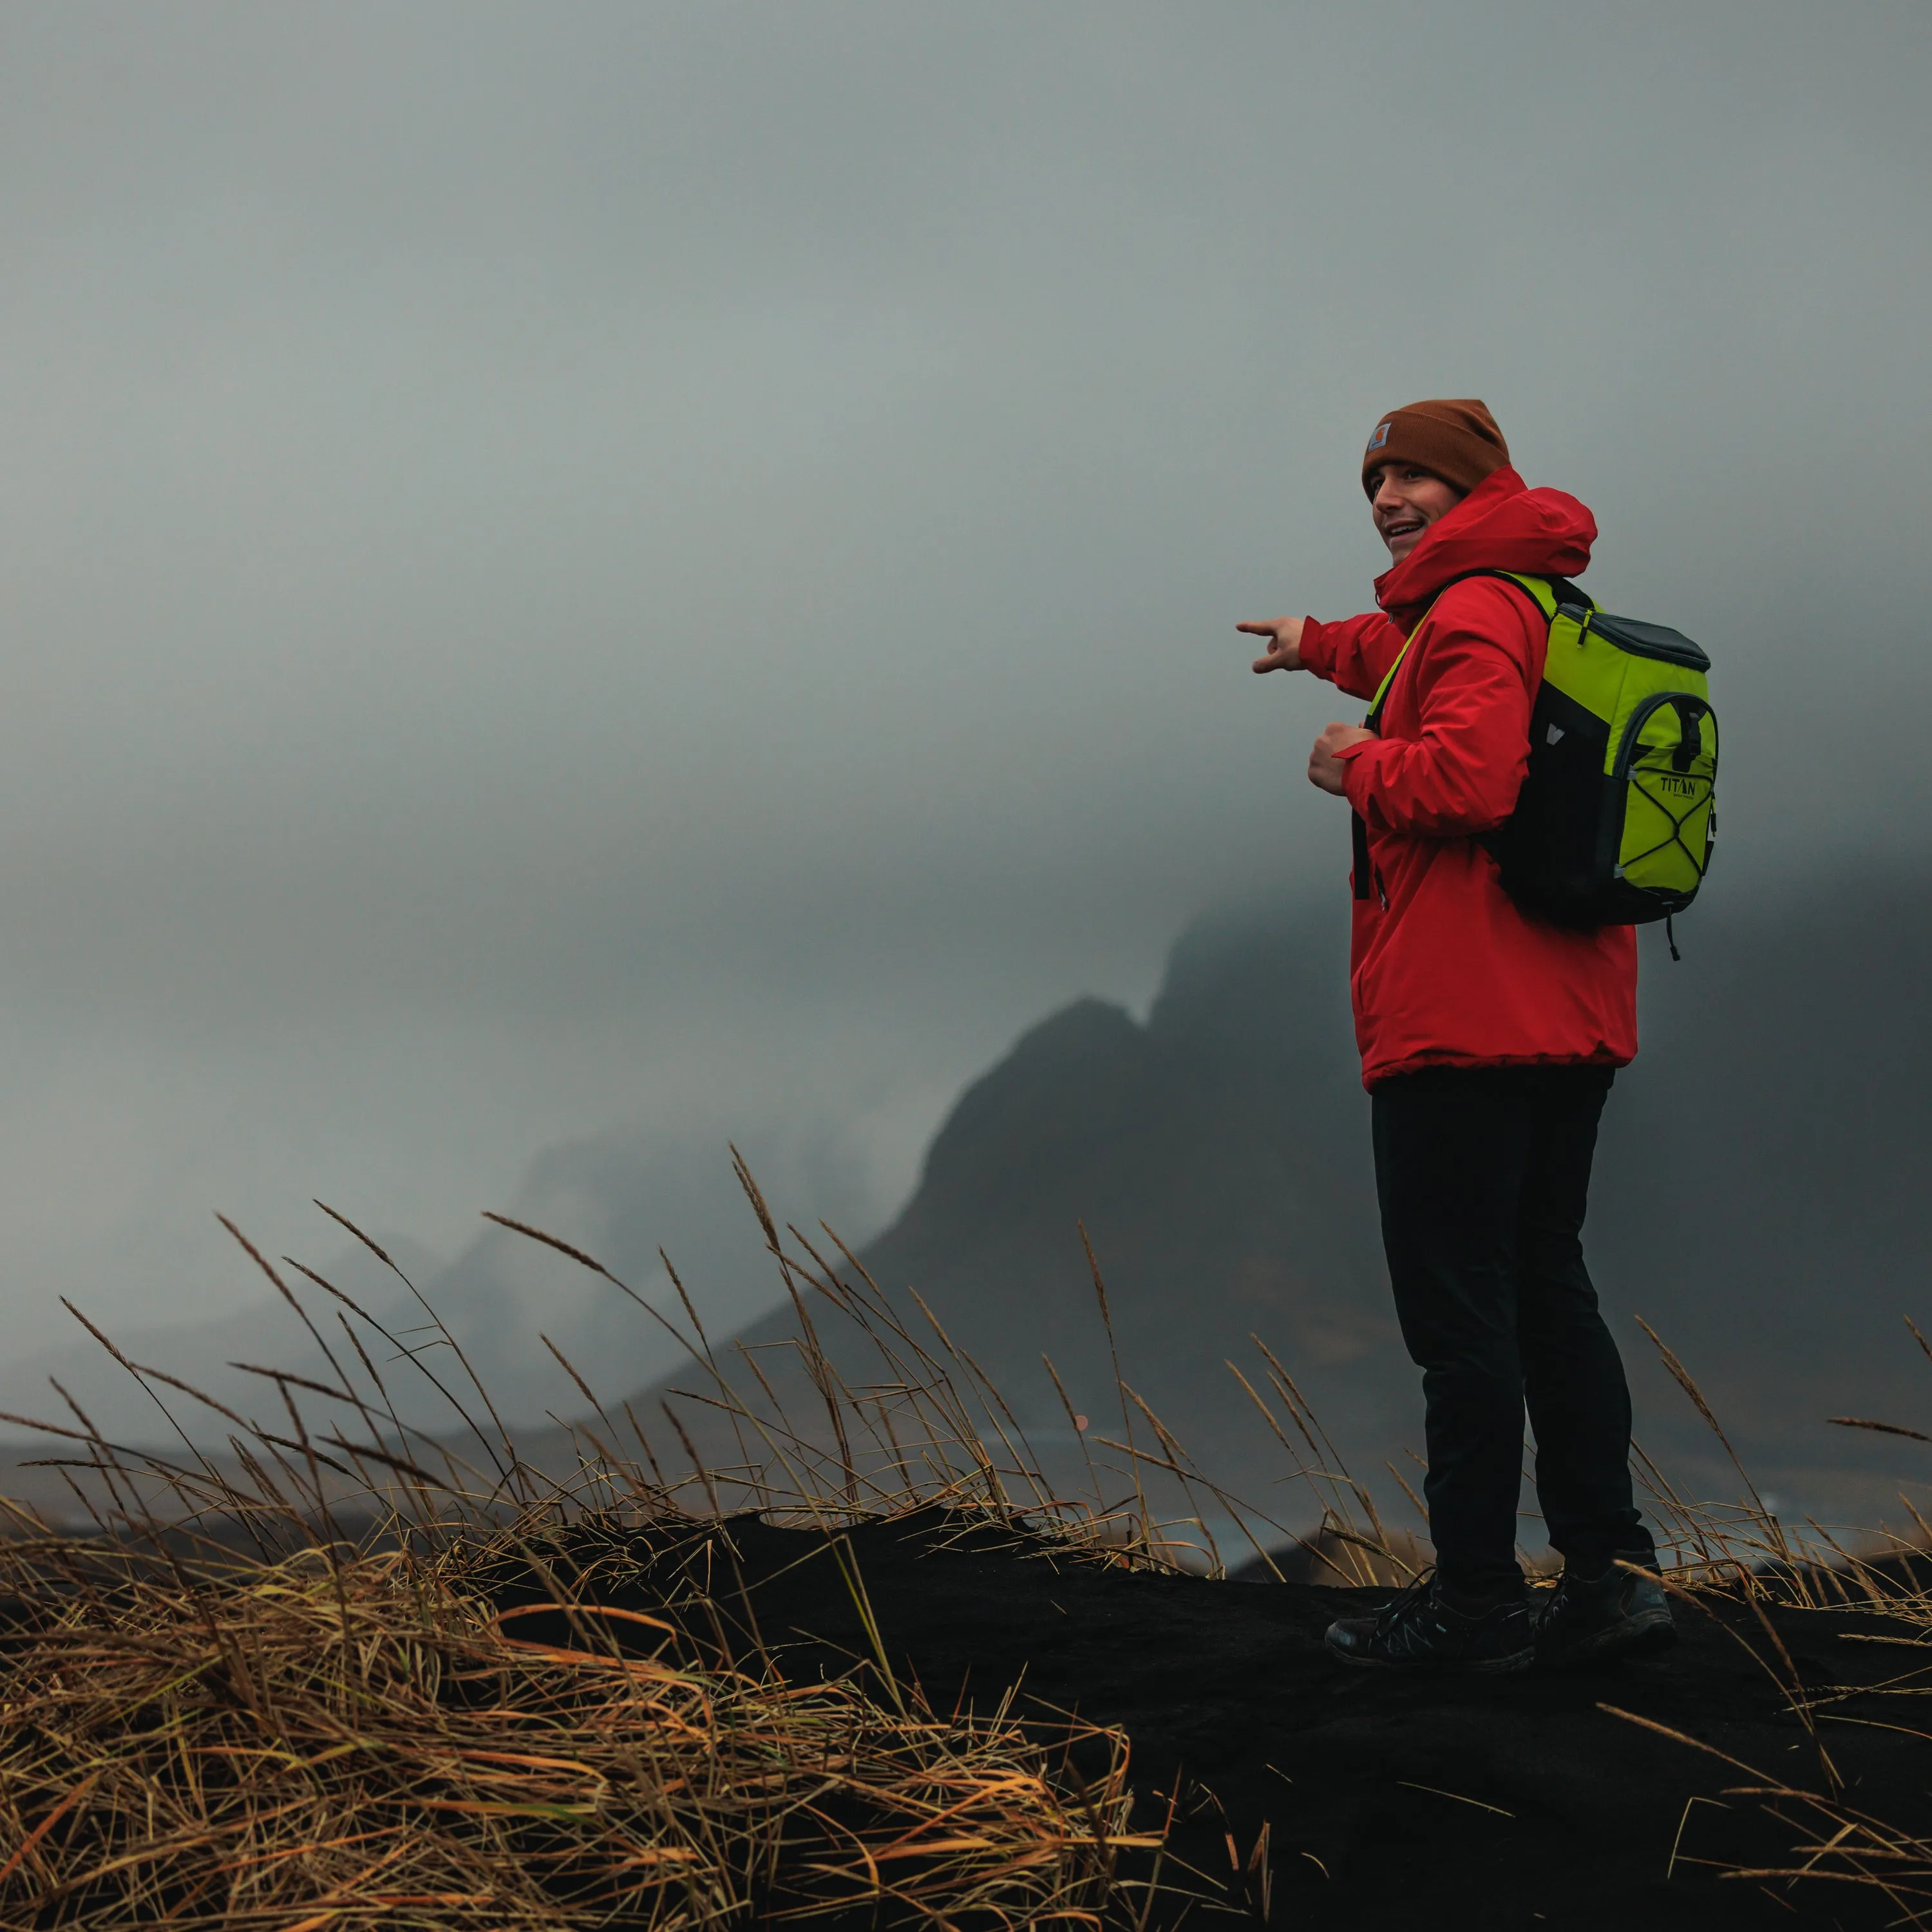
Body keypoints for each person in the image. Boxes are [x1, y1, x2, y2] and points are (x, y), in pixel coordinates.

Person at [1240, 399, 1674, 1670]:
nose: (1388, 496)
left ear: (1476, 484)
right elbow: (1409, 650)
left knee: (1462, 1320)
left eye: (1418, 476)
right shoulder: (1523, 599)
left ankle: (1475, 1603)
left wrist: (1352, 767)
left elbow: (1469, 782)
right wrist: (1316, 641)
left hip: (1461, 1026)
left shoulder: (1478, 605)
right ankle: (1610, 1578)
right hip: (1570, 1014)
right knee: (1548, 1289)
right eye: (1377, 478)